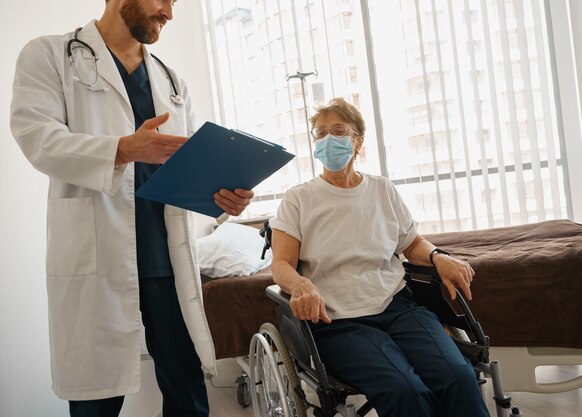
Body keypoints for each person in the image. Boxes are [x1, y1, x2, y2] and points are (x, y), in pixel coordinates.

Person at [10, 1, 254, 416]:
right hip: (98, 256)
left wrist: (222, 196)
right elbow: (37, 137)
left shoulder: (171, 80)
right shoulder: (50, 54)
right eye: (163, 0)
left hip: (167, 260)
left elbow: (190, 165)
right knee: (96, 403)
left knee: (189, 395)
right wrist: (122, 148)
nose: (170, 13)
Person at [270, 97, 490, 417]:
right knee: (405, 391)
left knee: (458, 377)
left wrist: (439, 257)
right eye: (320, 133)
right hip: (337, 319)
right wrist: (301, 284)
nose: (328, 139)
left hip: (398, 306)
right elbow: (281, 265)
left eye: (338, 130)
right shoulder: (298, 199)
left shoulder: (381, 189)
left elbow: (412, 244)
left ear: (358, 140)